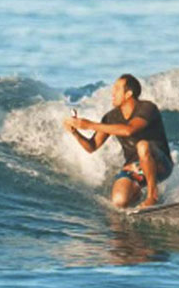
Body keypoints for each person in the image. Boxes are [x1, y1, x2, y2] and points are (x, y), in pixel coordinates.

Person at [64, 74, 173, 208]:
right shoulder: (111, 117)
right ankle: (136, 197)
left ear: (128, 94)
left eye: (117, 89)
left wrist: (89, 125)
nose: (112, 93)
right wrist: (75, 132)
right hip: (134, 168)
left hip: (160, 164)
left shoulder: (147, 108)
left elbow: (129, 130)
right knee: (119, 201)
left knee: (142, 145)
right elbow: (92, 147)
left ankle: (152, 196)